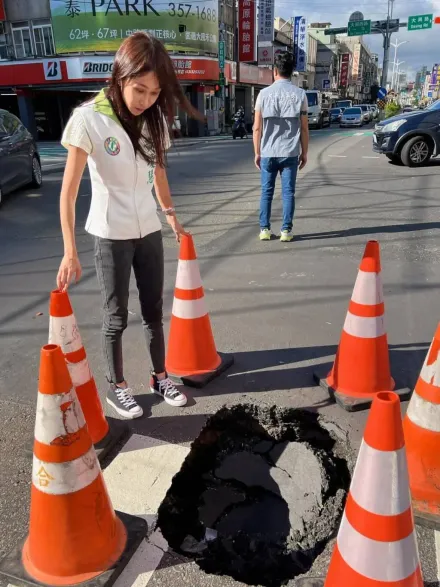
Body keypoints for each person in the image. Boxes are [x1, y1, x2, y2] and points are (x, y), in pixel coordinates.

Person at [57, 32, 201, 419]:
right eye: (140, 90)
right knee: (115, 315)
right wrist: (70, 250)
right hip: (110, 234)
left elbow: (159, 176)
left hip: (148, 230)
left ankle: (160, 376)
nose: (146, 101)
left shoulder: (154, 120)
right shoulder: (88, 119)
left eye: (154, 93)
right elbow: (68, 193)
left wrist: (170, 216)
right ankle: (116, 387)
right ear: (120, 76)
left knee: (153, 309)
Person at [253, 52, 309, 242]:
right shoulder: (300, 95)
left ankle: (264, 230)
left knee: (266, 192)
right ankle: (286, 231)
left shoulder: (262, 94)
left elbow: (257, 127)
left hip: (268, 152)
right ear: (292, 72)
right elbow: (304, 127)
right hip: (290, 153)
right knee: (288, 193)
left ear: (274, 71)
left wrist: (257, 152)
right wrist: (305, 152)